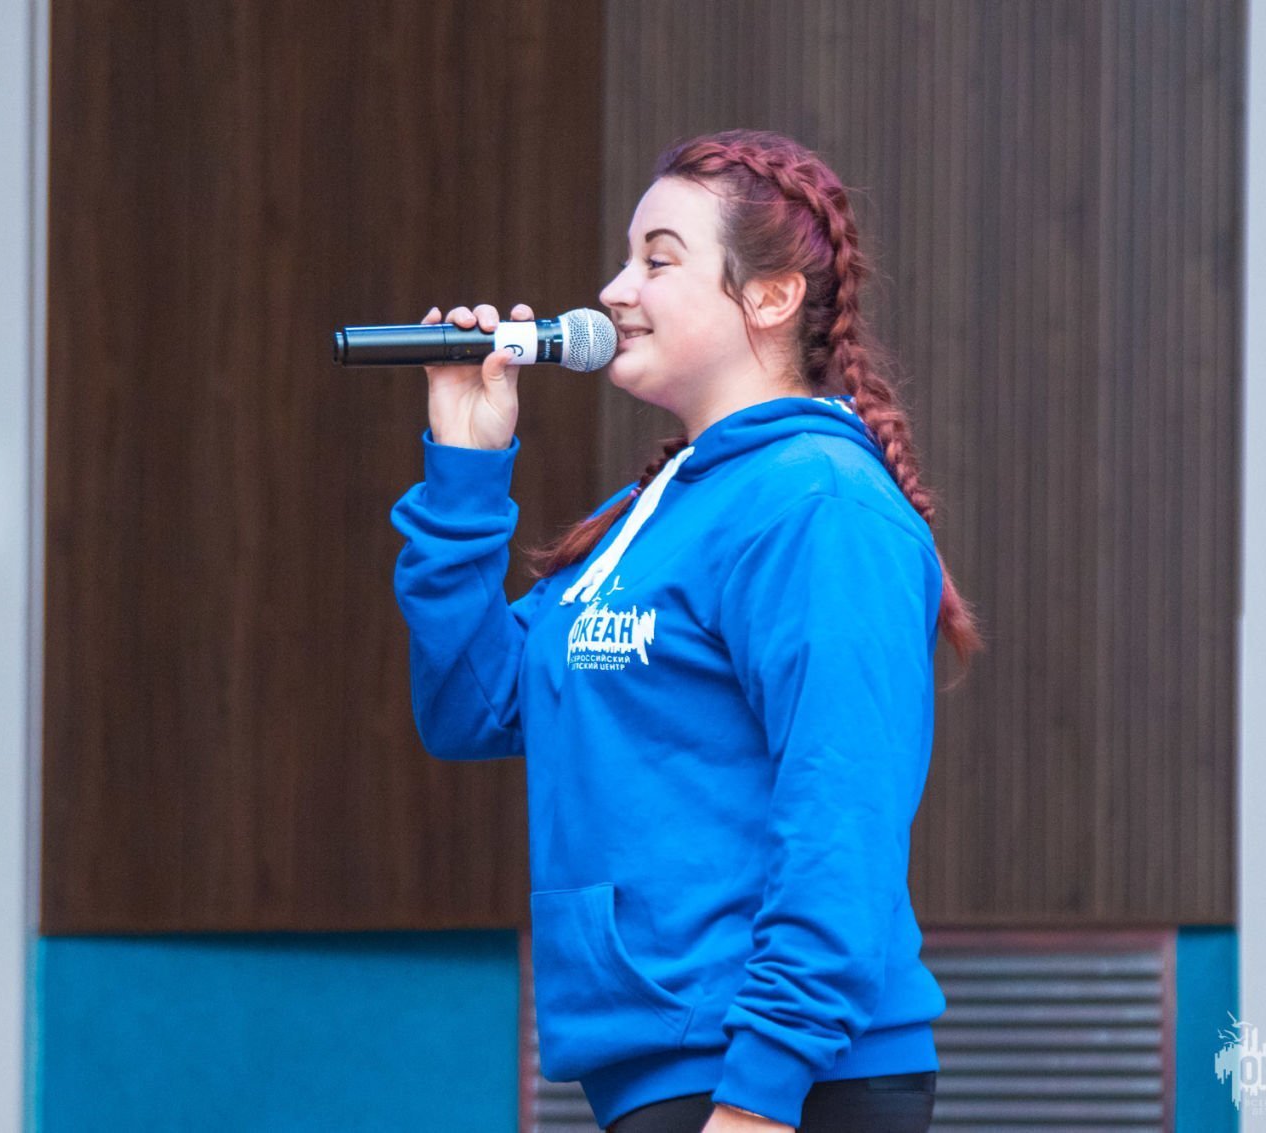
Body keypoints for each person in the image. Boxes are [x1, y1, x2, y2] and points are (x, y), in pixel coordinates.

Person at [389, 128, 983, 1133]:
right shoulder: (657, 507)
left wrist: (759, 1095)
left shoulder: (818, 502)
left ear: (772, 295)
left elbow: (840, 812)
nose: (614, 290)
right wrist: (466, 466)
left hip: (783, 1081)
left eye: (657, 260)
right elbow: (470, 707)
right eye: (626, 258)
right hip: (663, 1068)